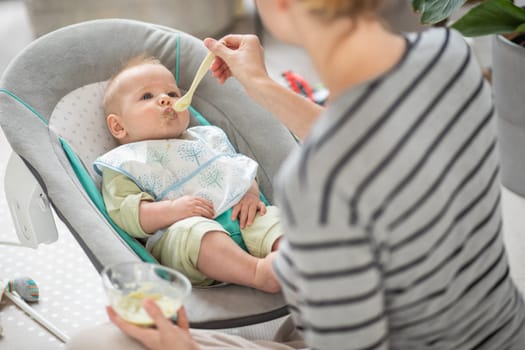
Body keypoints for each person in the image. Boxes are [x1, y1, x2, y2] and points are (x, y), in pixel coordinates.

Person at [67, 0, 525, 349]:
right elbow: (370, 140)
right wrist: (262, 86)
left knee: (94, 343)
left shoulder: (317, 184)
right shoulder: (450, 56)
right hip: (504, 330)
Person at [93, 55, 282, 294]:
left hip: (239, 217)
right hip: (187, 239)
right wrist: (173, 210)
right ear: (119, 126)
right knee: (195, 234)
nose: (165, 99)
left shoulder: (205, 138)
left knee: (271, 217)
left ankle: (291, 260)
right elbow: (127, 214)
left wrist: (249, 193)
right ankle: (256, 272)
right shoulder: (125, 162)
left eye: (172, 94)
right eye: (146, 96)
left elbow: (238, 168)